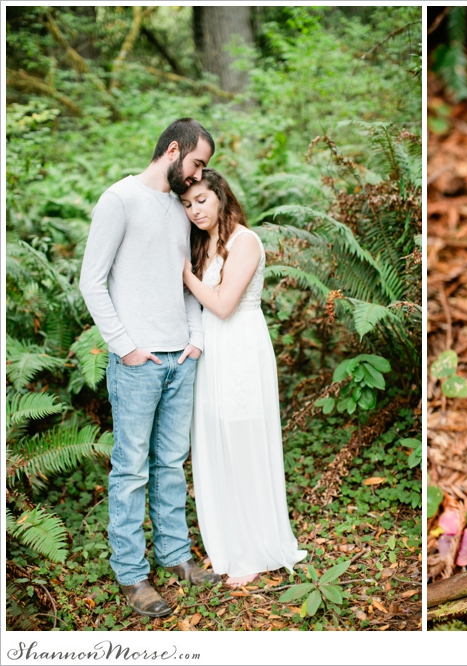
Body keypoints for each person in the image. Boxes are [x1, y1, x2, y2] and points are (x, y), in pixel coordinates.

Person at [79, 118, 221, 618]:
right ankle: (133, 575)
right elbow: (91, 282)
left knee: (169, 464)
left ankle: (176, 555)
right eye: (198, 162)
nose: (199, 174)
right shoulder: (118, 200)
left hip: (180, 358)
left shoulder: (179, 209)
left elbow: (184, 281)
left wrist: (196, 339)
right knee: (131, 469)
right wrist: (126, 347)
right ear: (174, 150)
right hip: (138, 363)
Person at [180, 168, 307, 587]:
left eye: (201, 200)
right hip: (212, 352)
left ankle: (255, 548)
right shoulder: (206, 244)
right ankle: (229, 542)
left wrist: (186, 275)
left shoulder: (245, 241)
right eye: (187, 204)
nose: (195, 210)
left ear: (219, 195)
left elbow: (222, 304)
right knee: (216, 442)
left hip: (240, 349)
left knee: (243, 441)